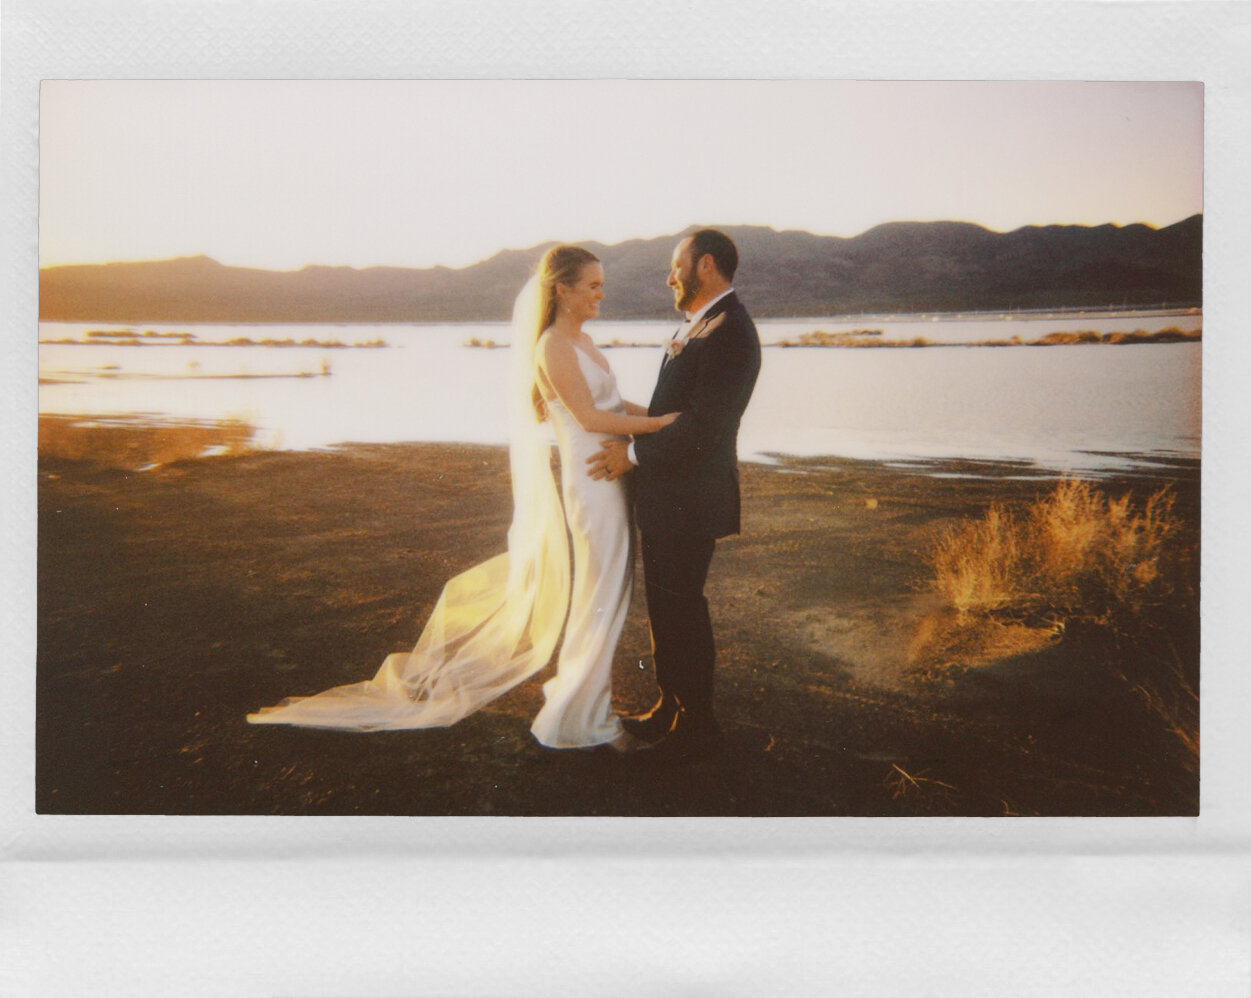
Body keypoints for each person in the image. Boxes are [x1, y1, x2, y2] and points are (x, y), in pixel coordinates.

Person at [247, 245, 676, 751]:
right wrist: (665, 426)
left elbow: (612, 402)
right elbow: (589, 419)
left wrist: (659, 418)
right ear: (562, 289)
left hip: (612, 479)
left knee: (608, 595)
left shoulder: (581, 342)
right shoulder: (553, 347)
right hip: (593, 480)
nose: (602, 293)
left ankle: (580, 698)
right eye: (593, 286)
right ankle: (579, 720)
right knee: (601, 599)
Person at [587, 229, 761, 765]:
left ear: (704, 265)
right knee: (667, 607)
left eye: (675, 265)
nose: (669, 277)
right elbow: (670, 411)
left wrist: (632, 457)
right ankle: (671, 706)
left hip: (692, 497)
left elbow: (705, 426)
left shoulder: (729, 330)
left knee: (683, 608)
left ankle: (699, 725)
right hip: (672, 495)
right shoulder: (701, 325)